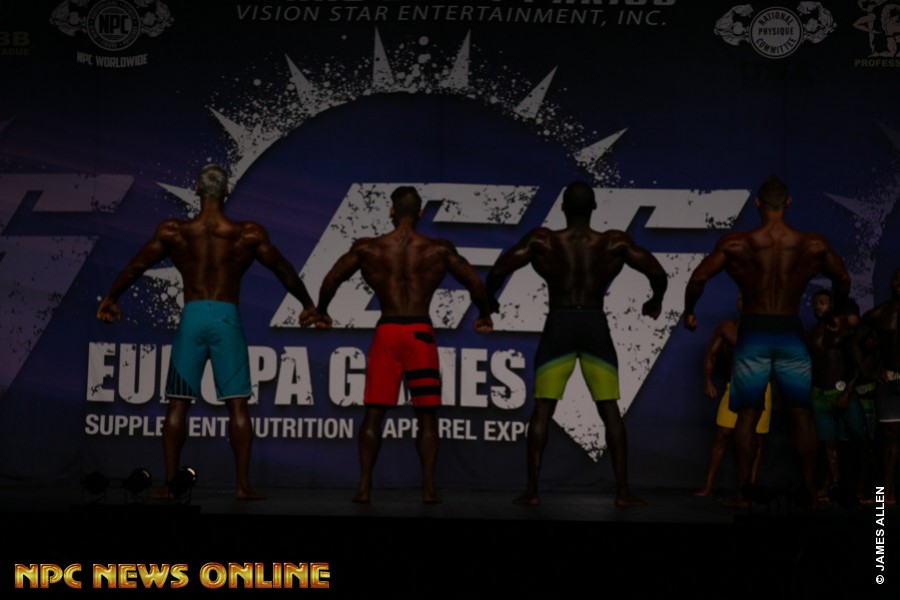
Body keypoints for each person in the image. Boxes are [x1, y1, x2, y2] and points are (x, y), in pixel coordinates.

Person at [97, 164, 317, 500]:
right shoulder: (247, 234)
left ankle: (170, 485)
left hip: (193, 317)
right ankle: (242, 486)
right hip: (227, 317)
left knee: (178, 402)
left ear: (197, 191)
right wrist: (308, 304)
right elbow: (283, 269)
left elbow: (137, 265)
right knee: (237, 404)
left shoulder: (174, 231)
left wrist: (112, 298)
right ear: (226, 192)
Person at [485, 181, 668, 507]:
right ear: (594, 207)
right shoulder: (613, 243)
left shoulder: (544, 240)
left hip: (560, 324)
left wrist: (489, 304)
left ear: (564, 208)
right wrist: (655, 301)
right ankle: (623, 492)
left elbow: (500, 268)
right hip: (594, 324)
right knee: (609, 408)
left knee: (543, 407)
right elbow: (657, 273)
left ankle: (533, 492)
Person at [315, 186, 494, 504]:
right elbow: (473, 281)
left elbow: (332, 278)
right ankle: (428, 489)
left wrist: (322, 311)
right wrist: (483, 314)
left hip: (387, 333)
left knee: (374, 412)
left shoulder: (369, 248)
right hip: (420, 334)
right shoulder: (437, 249)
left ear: (391, 211)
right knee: (426, 413)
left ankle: (364, 488)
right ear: (421, 213)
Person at [682, 175, 851, 508]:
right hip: (790, 331)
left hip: (754, 331)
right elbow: (842, 278)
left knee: (747, 413)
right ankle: (810, 492)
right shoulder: (811, 244)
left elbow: (699, 277)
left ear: (757, 204)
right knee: (801, 414)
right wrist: (836, 313)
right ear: (788, 203)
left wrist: (690, 311)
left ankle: (743, 493)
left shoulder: (737, 243)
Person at [694, 295, 772, 499]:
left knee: (755, 440)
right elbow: (711, 354)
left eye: (746, 297)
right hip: (735, 385)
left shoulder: (764, 330)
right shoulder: (726, 328)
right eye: (739, 298)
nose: (742, 301)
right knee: (722, 434)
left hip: (761, 387)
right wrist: (707, 381)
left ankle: (747, 491)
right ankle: (708, 486)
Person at [806, 291, 869, 504]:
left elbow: (856, 366)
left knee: (860, 440)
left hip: (843, 393)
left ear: (832, 305)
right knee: (828, 445)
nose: (818, 307)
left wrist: (847, 392)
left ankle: (864, 488)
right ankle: (835, 486)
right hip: (819, 395)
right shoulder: (810, 334)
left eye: (823, 303)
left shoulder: (846, 334)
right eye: (816, 303)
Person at [853, 267, 900, 505]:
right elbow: (853, 342)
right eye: (896, 279)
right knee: (888, 440)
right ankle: (885, 496)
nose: (898, 283)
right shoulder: (880, 314)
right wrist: (867, 371)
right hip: (889, 380)